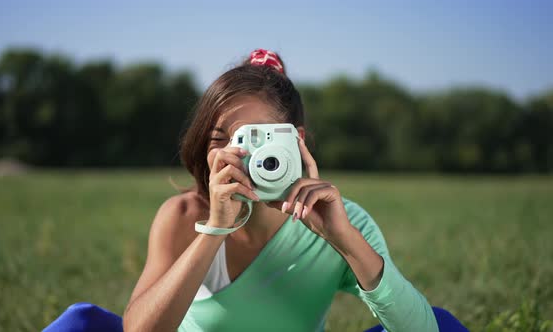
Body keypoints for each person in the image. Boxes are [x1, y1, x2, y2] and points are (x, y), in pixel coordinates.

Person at [121, 49, 439, 332]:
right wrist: (214, 229)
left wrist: (345, 240)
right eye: (221, 138)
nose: (239, 155)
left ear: (295, 141)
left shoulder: (342, 219)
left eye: (258, 138)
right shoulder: (183, 216)